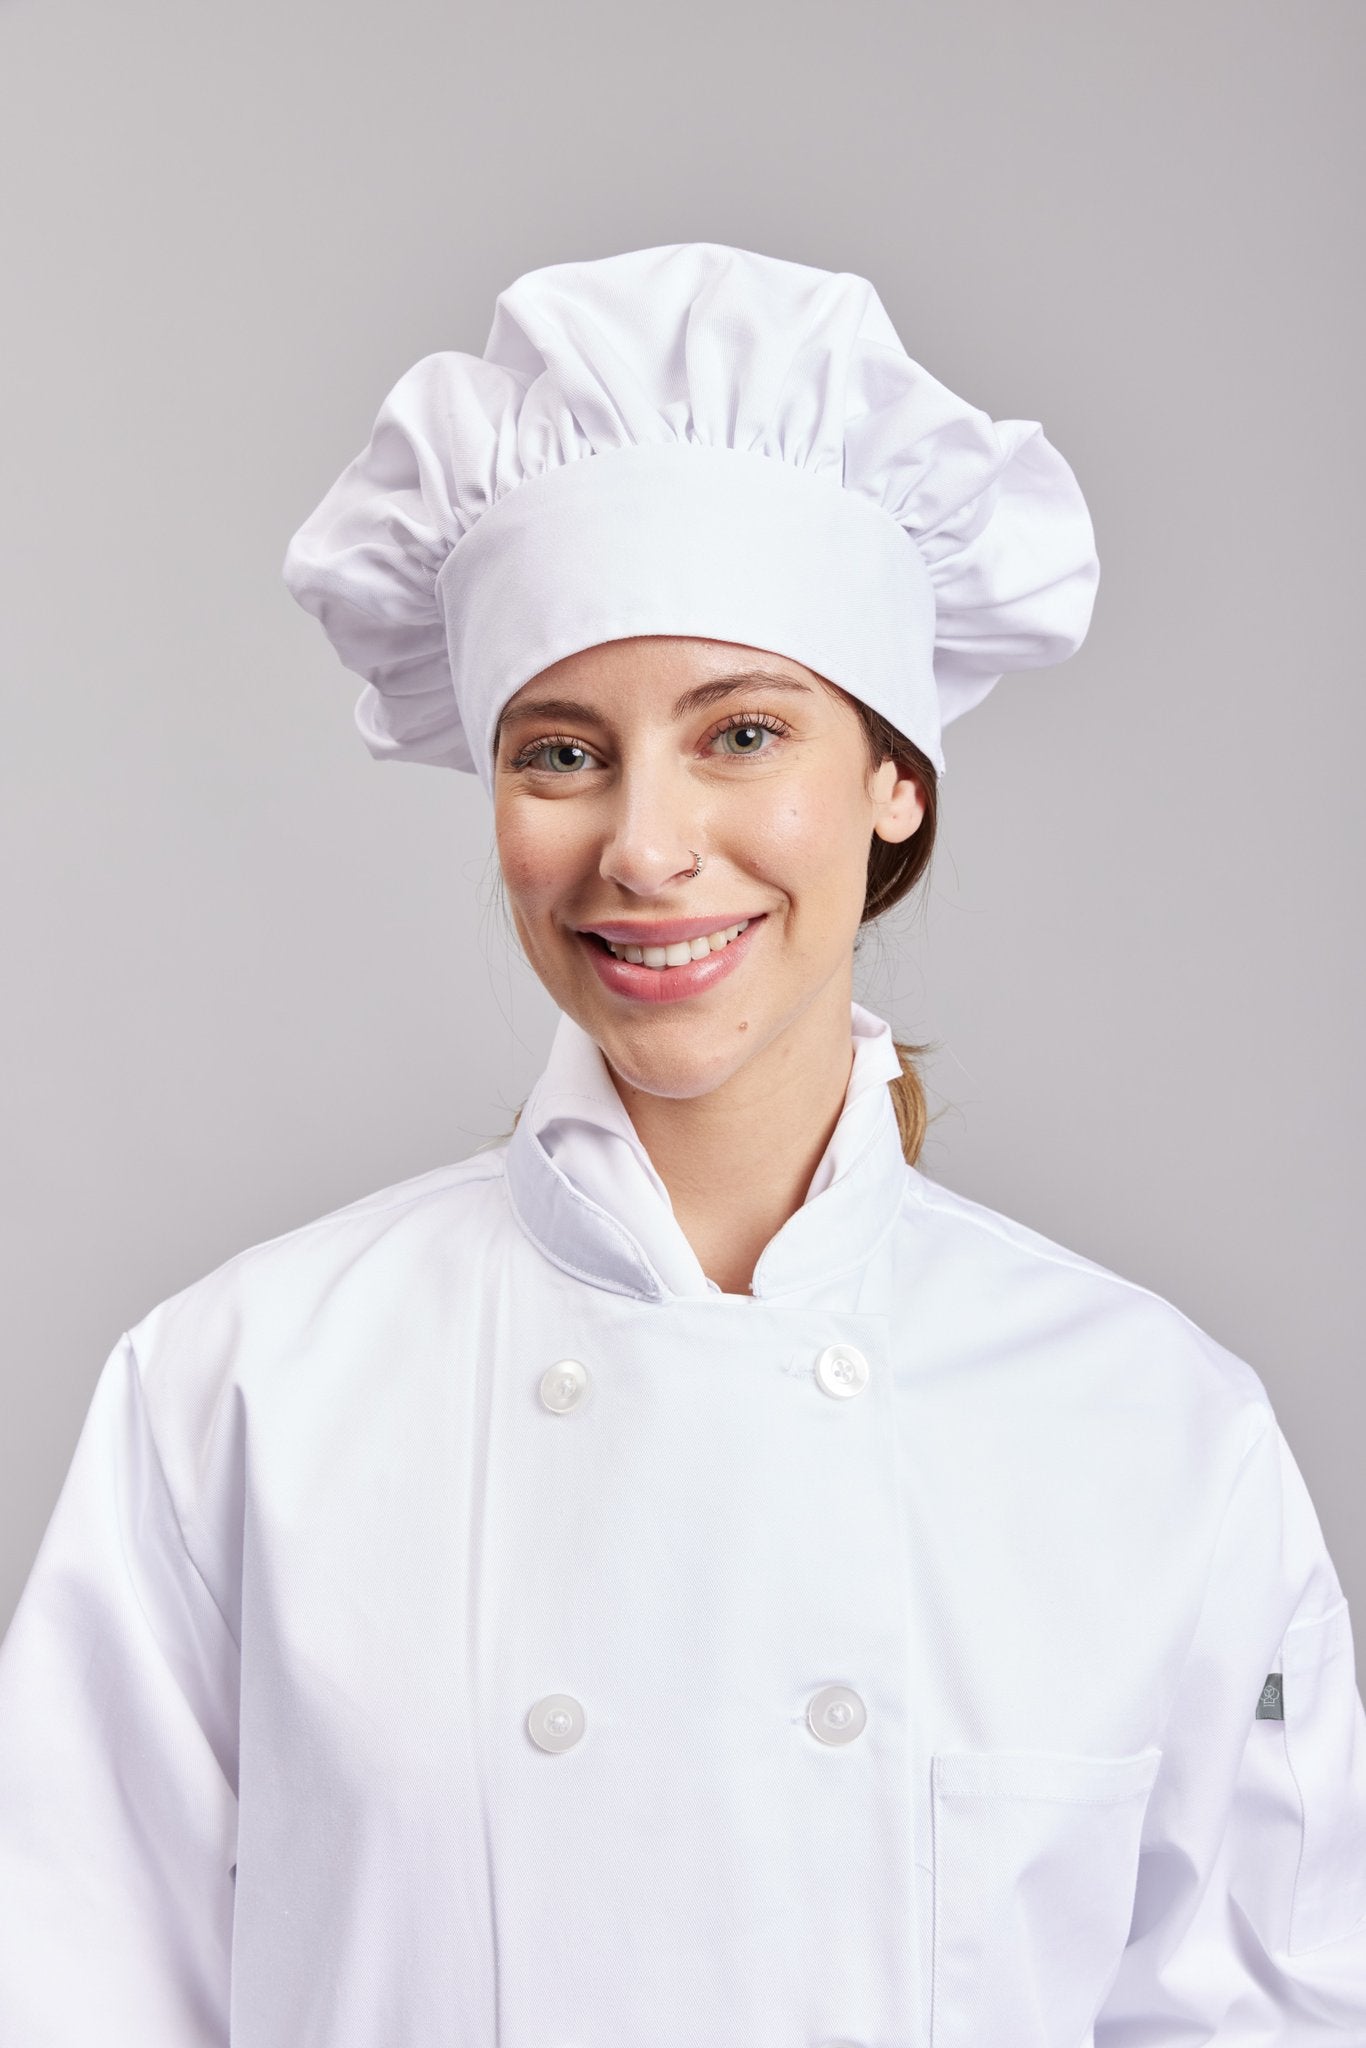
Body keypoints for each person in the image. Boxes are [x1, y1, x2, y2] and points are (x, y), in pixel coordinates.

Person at [0, 241, 1362, 2045]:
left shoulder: (1154, 1429)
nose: (644, 846)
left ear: (894, 782)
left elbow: (1267, 2009)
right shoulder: (240, 1392)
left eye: (742, 734)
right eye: (561, 754)